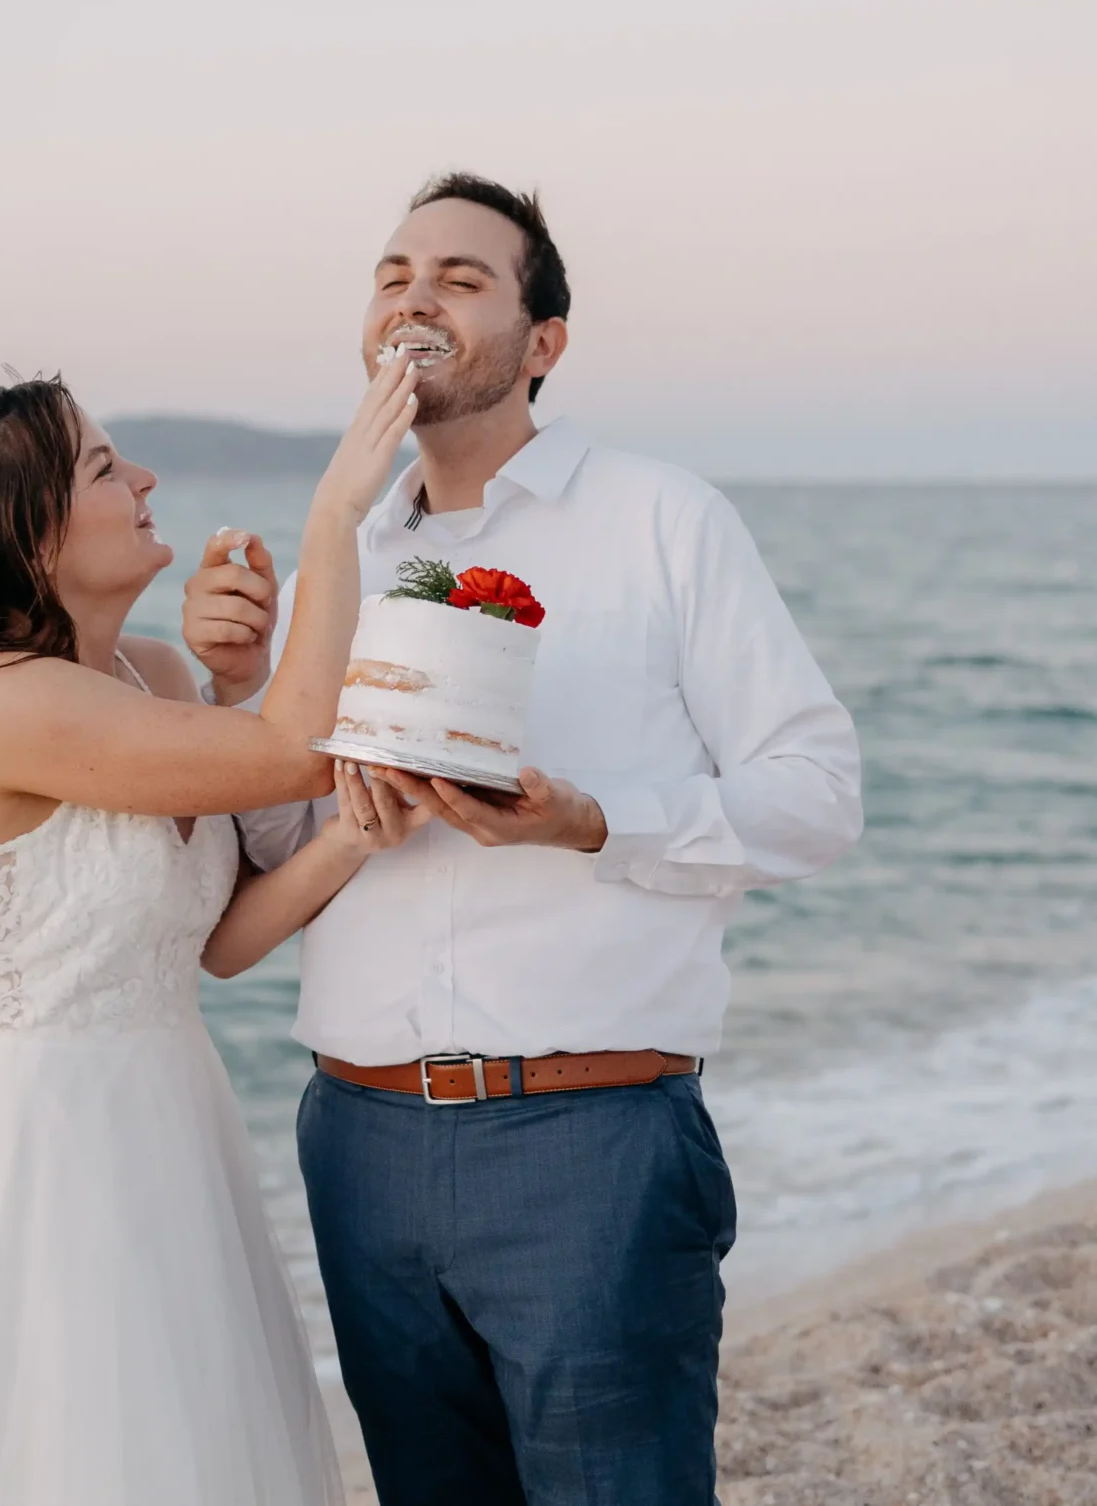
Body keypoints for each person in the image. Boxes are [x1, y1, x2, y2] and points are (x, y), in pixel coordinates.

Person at [183, 173, 864, 1505]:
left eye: (461, 275)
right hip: (360, 1139)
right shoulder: (347, 555)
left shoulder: (663, 519)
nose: (415, 295)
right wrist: (239, 687)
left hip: (591, 1137)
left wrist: (591, 821)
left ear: (541, 342)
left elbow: (818, 792)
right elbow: (282, 844)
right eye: (393, 273)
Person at [0, 362, 422, 1505]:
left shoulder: (143, 673)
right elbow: (302, 748)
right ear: (33, 531)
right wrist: (336, 513)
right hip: (52, 1157)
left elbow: (209, 944)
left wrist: (344, 833)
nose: (146, 477)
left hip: (172, 1124)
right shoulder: (1, 702)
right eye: (106, 465)